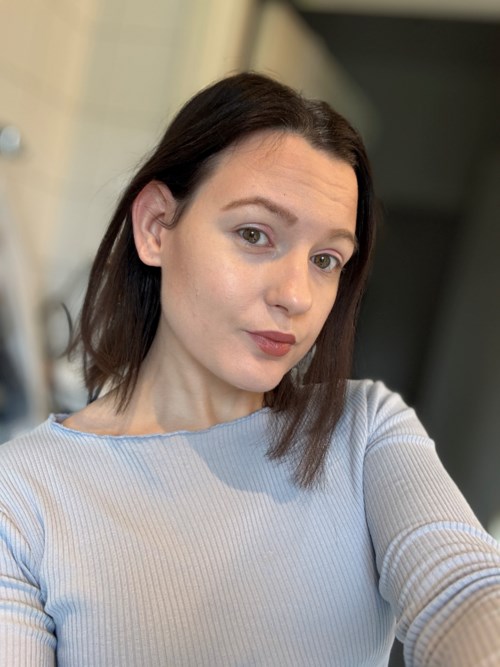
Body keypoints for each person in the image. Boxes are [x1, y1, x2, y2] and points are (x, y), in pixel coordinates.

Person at [0, 72, 499, 667]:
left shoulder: (363, 433)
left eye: (325, 260)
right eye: (255, 234)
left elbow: (463, 591)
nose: (296, 296)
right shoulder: (22, 494)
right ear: (156, 227)